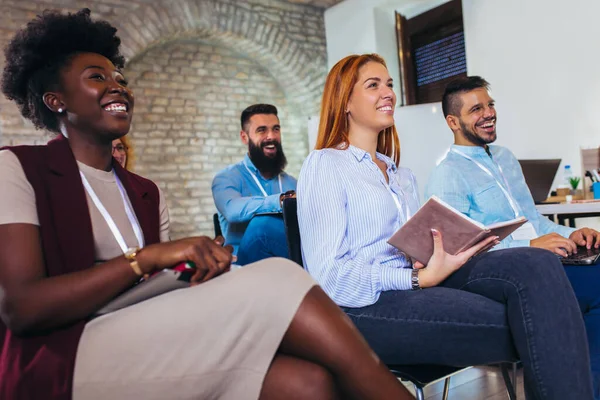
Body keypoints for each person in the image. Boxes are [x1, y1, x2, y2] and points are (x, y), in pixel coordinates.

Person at [0, 10, 414, 400]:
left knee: (306, 382)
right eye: (97, 77)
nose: (118, 86)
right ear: (56, 101)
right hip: (63, 353)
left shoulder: (144, 191)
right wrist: (146, 258)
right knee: (278, 273)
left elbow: (149, 291)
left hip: (143, 329)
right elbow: (22, 309)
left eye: (120, 77)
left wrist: (188, 270)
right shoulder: (18, 168)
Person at [297, 53, 594, 399]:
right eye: (373, 85)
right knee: (535, 317)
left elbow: (410, 248)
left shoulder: (399, 174)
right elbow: (329, 277)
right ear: (345, 101)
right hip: (365, 305)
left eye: (390, 84)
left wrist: (432, 257)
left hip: (417, 282)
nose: (388, 93)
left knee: (537, 262)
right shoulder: (326, 164)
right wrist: (414, 278)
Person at [425, 75, 600, 398]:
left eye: (490, 104)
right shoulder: (447, 175)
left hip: (544, 260)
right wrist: (529, 247)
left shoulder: (505, 158)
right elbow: (460, 252)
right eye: (476, 109)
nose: (488, 113)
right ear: (453, 121)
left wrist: (572, 233)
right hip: (514, 274)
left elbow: (534, 221)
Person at [212, 104, 296, 265]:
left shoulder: (292, 182)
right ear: (244, 137)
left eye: (276, 129)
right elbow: (232, 210)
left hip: (288, 264)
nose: (271, 136)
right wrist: (283, 200)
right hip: (245, 268)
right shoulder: (226, 178)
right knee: (261, 226)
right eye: (262, 130)